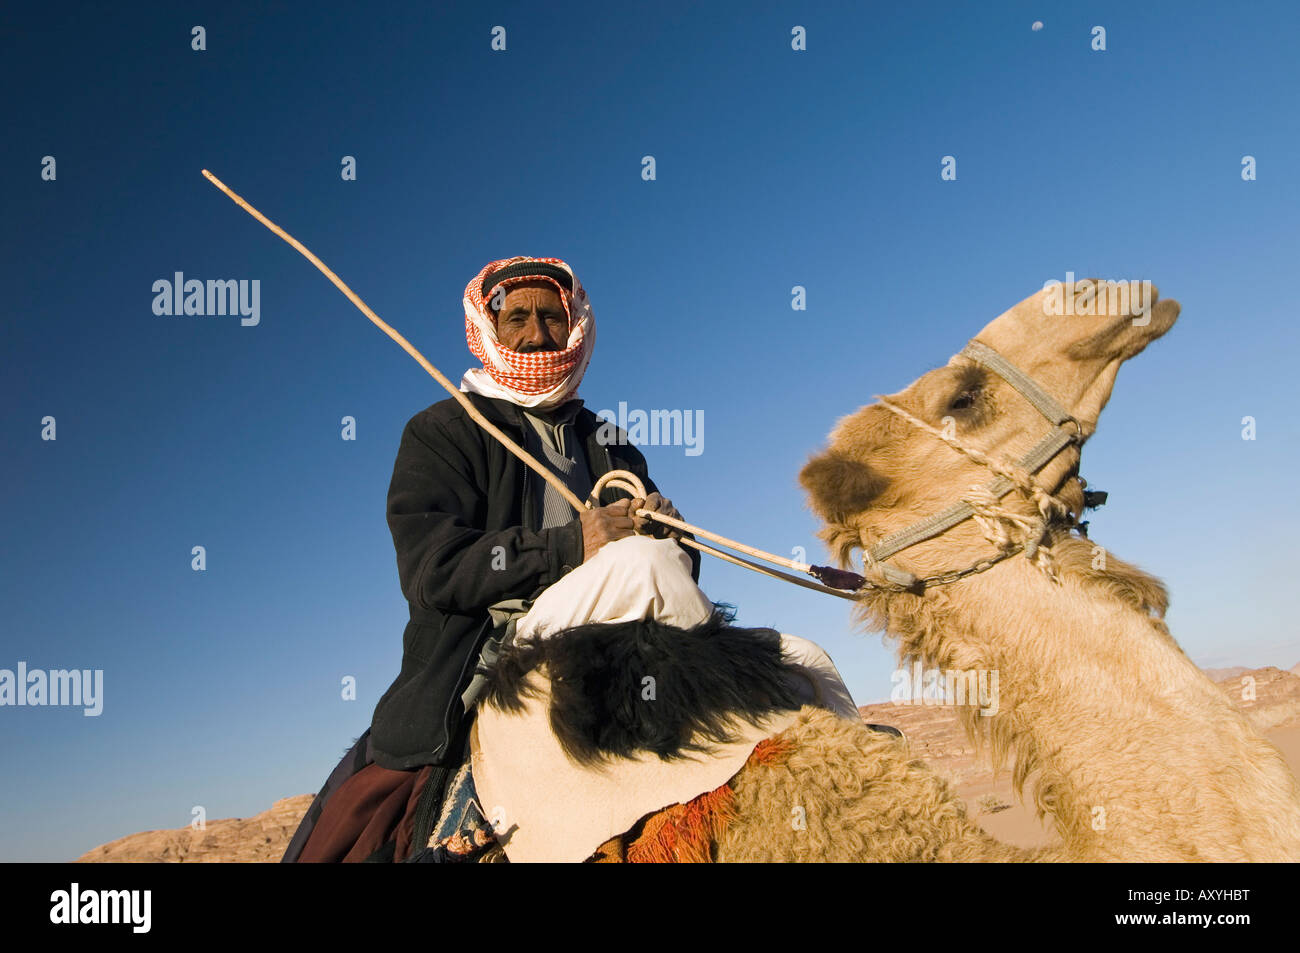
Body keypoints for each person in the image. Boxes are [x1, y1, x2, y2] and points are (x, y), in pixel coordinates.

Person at [283, 257, 696, 862]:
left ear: (575, 325)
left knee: (791, 655)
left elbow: (667, 568)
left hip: (621, 627)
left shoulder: (609, 443)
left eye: (553, 318)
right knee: (646, 570)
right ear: (489, 327)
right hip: (494, 648)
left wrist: (670, 535)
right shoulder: (444, 430)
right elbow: (433, 571)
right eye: (518, 318)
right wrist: (573, 545)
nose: (536, 334)